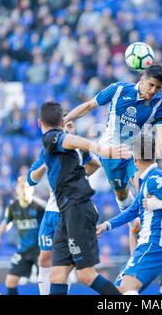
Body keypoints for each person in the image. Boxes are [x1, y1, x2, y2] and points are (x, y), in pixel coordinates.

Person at [65, 64, 162, 254]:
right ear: (142, 79)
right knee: (121, 193)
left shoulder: (158, 102)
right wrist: (64, 120)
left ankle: (153, 233)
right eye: (152, 85)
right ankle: (133, 224)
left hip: (135, 153)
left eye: (158, 88)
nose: (154, 91)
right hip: (109, 152)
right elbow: (89, 106)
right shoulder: (119, 89)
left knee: (144, 186)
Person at [38, 101, 129, 295]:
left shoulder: (52, 137)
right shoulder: (61, 145)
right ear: (63, 121)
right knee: (57, 275)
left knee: (86, 275)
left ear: (40, 123)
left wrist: (100, 149)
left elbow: (69, 140)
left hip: (77, 208)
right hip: (67, 212)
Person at [96, 132, 162, 294]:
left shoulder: (156, 178)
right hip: (147, 243)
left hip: (154, 243)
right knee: (119, 289)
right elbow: (133, 210)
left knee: (127, 287)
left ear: (134, 158)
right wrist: (107, 225)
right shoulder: (147, 179)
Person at [27, 118, 100, 295]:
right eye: (65, 125)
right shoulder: (48, 147)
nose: (67, 129)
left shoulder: (78, 147)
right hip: (52, 210)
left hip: (70, 210)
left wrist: (77, 176)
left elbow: (96, 164)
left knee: (74, 269)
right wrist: (46, 164)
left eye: (71, 125)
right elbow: (31, 179)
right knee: (45, 259)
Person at [0, 176, 45, 295]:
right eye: (22, 187)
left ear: (32, 189)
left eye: (27, 187)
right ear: (17, 189)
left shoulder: (40, 206)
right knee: (10, 281)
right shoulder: (12, 206)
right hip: (24, 249)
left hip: (41, 250)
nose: (24, 189)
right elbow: (7, 221)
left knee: (45, 283)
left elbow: (53, 223)